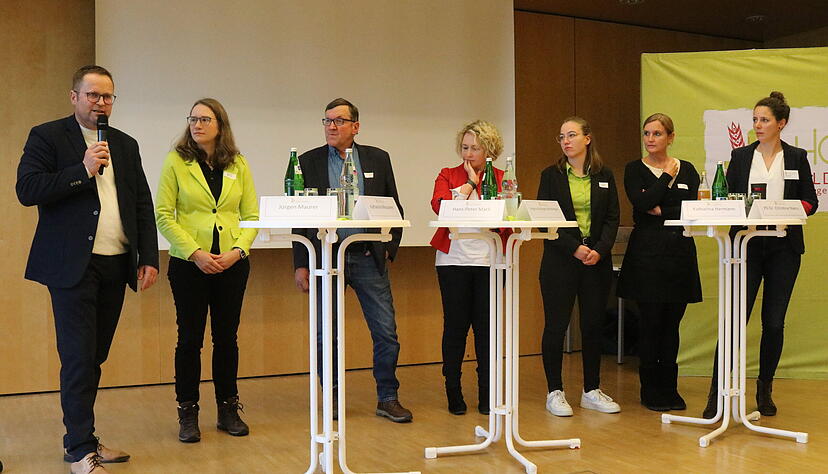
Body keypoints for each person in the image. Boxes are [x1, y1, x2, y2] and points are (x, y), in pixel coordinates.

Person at [16, 65, 159, 474]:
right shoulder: (47, 136)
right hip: (72, 266)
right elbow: (28, 189)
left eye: (107, 96)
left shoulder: (125, 144)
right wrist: (82, 170)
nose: (100, 103)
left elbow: (141, 202)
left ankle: (84, 437)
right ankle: (80, 450)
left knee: (94, 357)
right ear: (74, 96)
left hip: (116, 262)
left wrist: (148, 255)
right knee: (78, 357)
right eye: (93, 95)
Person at [292, 98, 411, 423]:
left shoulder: (377, 158)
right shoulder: (308, 162)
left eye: (339, 121)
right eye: (327, 121)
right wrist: (301, 263)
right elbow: (299, 217)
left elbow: (393, 205)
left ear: (355, 126)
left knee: (386, 332)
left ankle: (388, 398)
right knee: (325, 334)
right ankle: (331, 397)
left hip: (367, 256)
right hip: (326, 256)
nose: (331, 126)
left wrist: (389, 247)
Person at [702, 91, 818, 419]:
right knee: (734, 321)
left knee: (774, 322)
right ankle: (717, 391)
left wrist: (787, 211)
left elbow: (811, 201)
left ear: (782, 123)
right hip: (746, 246)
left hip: (784, 248)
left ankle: (764, 388)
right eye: (755, 119)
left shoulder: (796, 157)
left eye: (764, 120)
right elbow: (727, 198)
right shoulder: (740, 156)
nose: (758, 125)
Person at [155, 98, 259, 442]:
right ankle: (188, 412)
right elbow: (164, 215)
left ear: (220, 125)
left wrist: (238, 251)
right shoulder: (177, 161)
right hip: (189, 265)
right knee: (189, 339)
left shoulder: (238, 163)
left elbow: (252, 216)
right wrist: (195, 252)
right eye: (193, 119)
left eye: (204, 119)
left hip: (231, 265)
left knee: (226, 339)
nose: (197, 125)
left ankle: (228, 409)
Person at [617, 113, 702, 412]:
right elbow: (641, 204)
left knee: (671, 325)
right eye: (647, 133)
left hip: (679, 255)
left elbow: (691, 208)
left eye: (657, 133)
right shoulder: (634, 169)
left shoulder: (688, 170)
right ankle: (650, 389)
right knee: (651, 324)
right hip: (647, 257)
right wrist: (666, 178)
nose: (650, 139)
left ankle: (670, 388)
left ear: (671, 137)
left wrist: (660, 208)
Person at [537, 116, 621, 417]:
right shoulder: (551, 175)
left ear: (587, 138)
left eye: (571, 135)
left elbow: (612, 218)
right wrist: (574, 247)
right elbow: (544, 220)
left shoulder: (604, 175)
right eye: (561, 137)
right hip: (561, 259)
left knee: (593, 325)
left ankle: (591, 390)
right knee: (556, 325)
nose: (566, 141)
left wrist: (599, 250)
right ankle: (555, 391)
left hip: (596, 261)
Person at [429, 120, 510, 416]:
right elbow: (440, 207)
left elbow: (509, 215)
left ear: (489, 150)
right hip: (453, 261)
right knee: (455, 328)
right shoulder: (448, 174)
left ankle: (487, 394)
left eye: (475, 148)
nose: (468, 154)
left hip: (490, 262)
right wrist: (470, 185)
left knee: (486, 330)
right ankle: (453, 391)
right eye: (464, 147)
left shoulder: (502, 178)